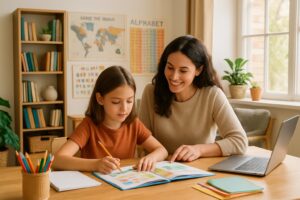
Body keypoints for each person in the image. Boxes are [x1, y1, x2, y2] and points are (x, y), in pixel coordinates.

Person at [138, 35, 248, 162]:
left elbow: (240, 141)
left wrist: (198, 150)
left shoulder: (212, 95)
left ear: (198, 70)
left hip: (199, 171)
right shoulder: (150, 92)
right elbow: (141, 140)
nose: (174, 77)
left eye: (183, 71)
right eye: (170, 67)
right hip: (160, 169)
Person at [53, 66, 168, 174]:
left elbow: (162, 150)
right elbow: (58, 160)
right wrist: (95, 164)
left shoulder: (133, 124)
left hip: (123, 184)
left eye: (129, 101)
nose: (124, 108)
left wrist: (150, 158)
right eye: (116, 102)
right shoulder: (88, 125)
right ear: (100, 99)